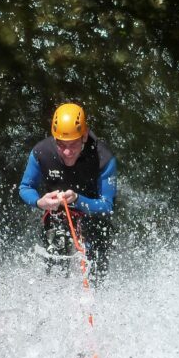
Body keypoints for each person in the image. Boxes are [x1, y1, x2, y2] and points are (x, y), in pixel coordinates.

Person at [19, 103, 117, 278]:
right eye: (61, 144)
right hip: (59, 216)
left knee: (96, 268)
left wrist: (78, 199)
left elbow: (107, 206)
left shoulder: (103, 158)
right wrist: (39, 202)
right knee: (55, 266)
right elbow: (26, 187)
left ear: (84, 136)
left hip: (92, 215)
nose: (67, 152)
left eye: (73, 145)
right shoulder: (42, 153)